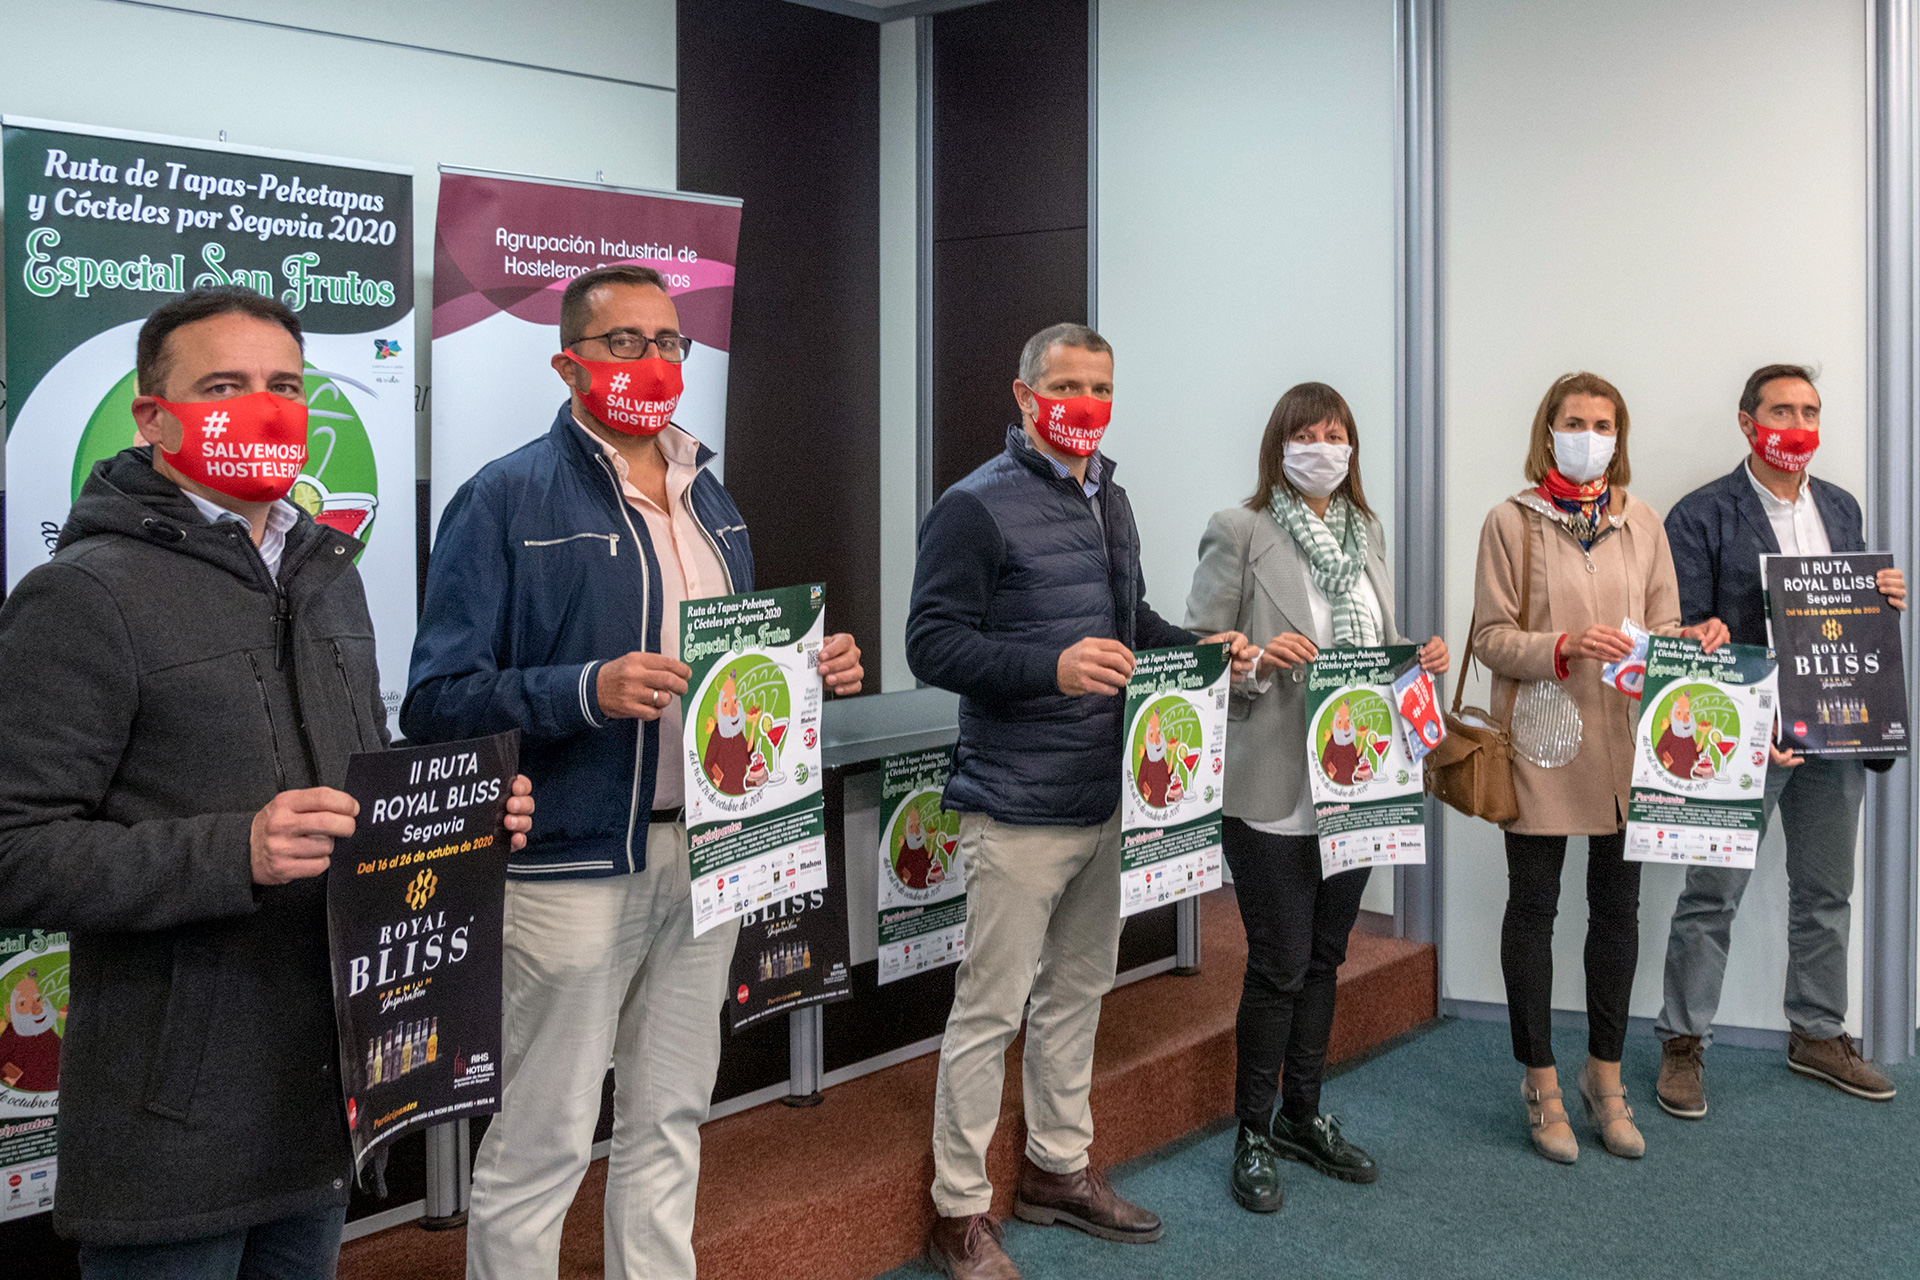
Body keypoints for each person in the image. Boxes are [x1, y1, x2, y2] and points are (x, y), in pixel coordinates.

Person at [0, 287, 534, 1277]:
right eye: (224, 384)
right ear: (152, 416)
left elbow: (358, 786)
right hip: (176, 1116)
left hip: (326, 1085)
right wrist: (231, 849)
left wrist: (457, 815)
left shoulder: (331, 573)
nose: (263, 406)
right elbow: (15, 850)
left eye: (284, 384)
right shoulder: (83, 594)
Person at [402, 263, 863, 1280]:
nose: (653, 362)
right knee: (546, 1133)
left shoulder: (714, 494)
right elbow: (435, 702)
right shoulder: (504, 495)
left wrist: (807, 668)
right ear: (569, 359)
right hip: (571, 863)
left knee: (671, 1115)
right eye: (625, 342)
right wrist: (584, 689)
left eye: (669, 342)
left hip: (711, 854)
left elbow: (733, 675)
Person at [907, 322, 1255, 1280]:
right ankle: (960, 1209)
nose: (1086, 404)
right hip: (1017, 805)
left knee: (1076, 996)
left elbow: (1127, 622)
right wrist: (1048, 669)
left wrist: (1195, 646)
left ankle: (1059, 1169)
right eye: (1067, 385)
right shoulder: (974, 508)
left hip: (1106, 797)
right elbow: (931, 646)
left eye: (1101, 387)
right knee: (989, 1011)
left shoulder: (1112, 495)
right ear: (1023, 396)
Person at [1184, 381, 1449, 1213]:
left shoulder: (1365, 530)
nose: (1323, 445)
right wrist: (1257, 658)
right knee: (1278, 961)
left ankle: (1304, 1112)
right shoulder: (1241, 530)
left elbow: (1368, 648)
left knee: (1328, 957)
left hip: (1359, 781)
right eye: (1308, 432)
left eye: (1335, 433)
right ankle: (1252, 1132)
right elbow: (1197, 656)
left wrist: (1420, 657)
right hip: (1270, 785)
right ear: (1280, 444)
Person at [1471, 371, 1728, 1164]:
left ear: (1620, 436)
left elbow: (1661, 629)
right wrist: (1562, 646)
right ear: (1547, 431)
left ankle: (1605, 1078)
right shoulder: (1511, 521)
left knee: (1618, 915)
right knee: (1534, 911)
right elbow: (1488, 637)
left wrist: (1695, 640)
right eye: (1575, 421)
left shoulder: (1640, 520)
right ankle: (1540, 1080)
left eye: (1604, 423)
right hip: (1542, 741)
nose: (1590, 436)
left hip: (1623, 744)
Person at [1654, 364, 1906, 1117]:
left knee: (1827, 892)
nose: (1798, 424)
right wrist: (1737, 686)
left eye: (1810, 410)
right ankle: (1682, 1042)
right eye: (1782, 410)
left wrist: (1882, 598)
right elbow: (1683, 629)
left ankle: (1818, 1034)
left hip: (1832, 732)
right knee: (1711, 895)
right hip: (1744, 738)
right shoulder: (1700, 515)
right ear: (1746, 421)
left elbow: (1848, 626)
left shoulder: (1840, 506)